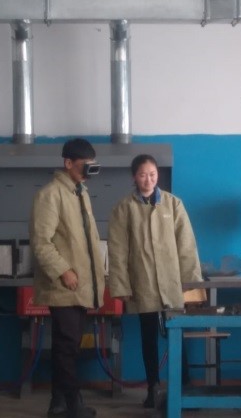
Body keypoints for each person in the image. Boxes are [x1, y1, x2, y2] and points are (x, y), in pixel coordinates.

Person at [107, 154, 204, 408]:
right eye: (142, 174)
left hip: (172, 283)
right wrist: (121, 285)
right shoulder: (124, 208)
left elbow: (186, 246)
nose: (148, 179)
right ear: (134, 177)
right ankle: (153, 388)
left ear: (157, 175)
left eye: (152, 174)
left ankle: (184, 388)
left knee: (177, 334)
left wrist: (191, 284)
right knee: (148, 337)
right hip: (143, 283)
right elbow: (117, 251)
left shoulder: (173, 204)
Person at [29, 138, 106, 418]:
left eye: (92, 165)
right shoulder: (50, 195)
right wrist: (64, 271)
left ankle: (58, 403)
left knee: (68, 346)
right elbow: (41, 242)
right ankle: (73, 404)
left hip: (80, 285)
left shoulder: (79, 192)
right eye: (85, 165)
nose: (89, 171)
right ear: (68, 163)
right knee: (66, 348)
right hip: (64, 285)